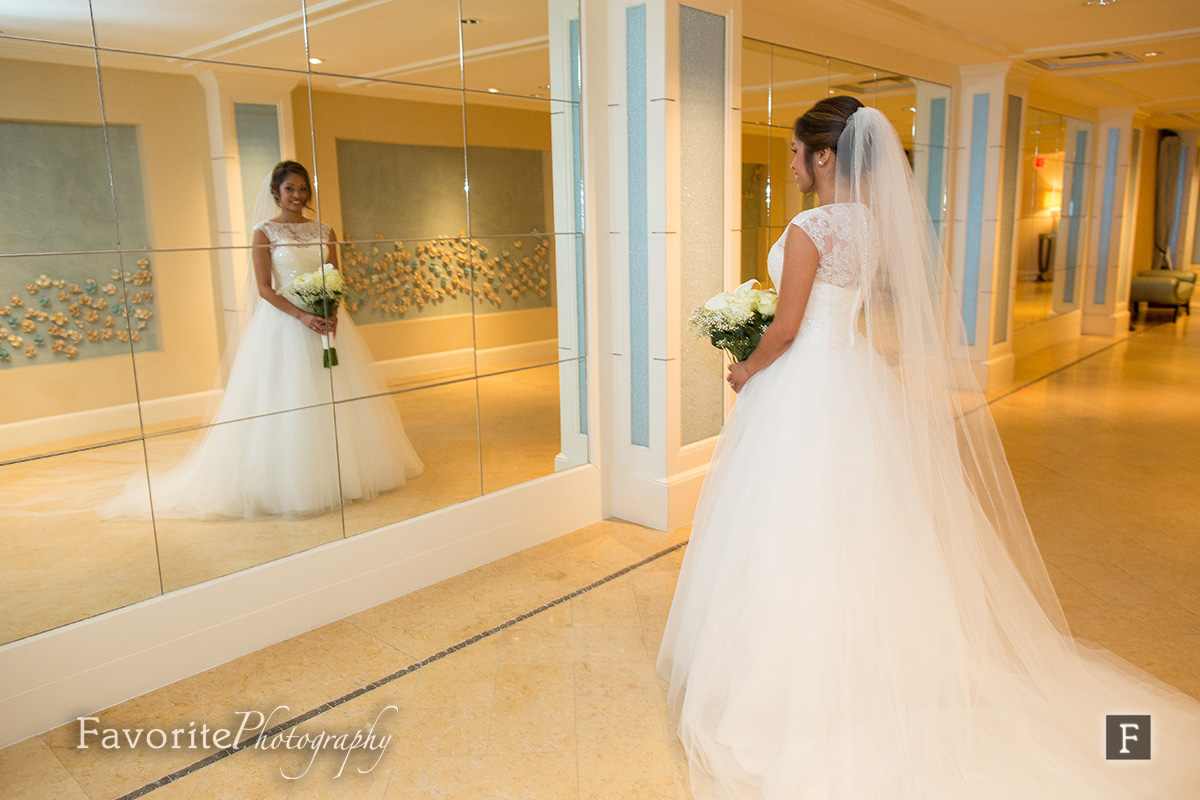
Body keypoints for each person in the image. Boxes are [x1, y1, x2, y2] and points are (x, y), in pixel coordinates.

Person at [656, 98, 1200, 798]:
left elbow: (787, 328)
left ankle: (786, 688)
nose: (791, 164)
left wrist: (744, 368)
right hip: (852, 379)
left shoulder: (809, 226)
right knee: (859, 531)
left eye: (796, 152)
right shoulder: (873, 226)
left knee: (787, 529)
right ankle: (864, 669)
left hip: (804, 384)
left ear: (825, 156)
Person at [104, 161, 423, 519]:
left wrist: (331, 310)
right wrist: (302, 315)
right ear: (276, 192)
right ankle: (294, 482)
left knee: (335, 394)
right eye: (290, 189)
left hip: (327, 320)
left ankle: (342, 475)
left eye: (303, 189)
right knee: (290, 398)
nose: (297, 196)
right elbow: (264, 289)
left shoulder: (325, 230)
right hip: (285, 325)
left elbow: (333, 275)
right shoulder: (264, 232)